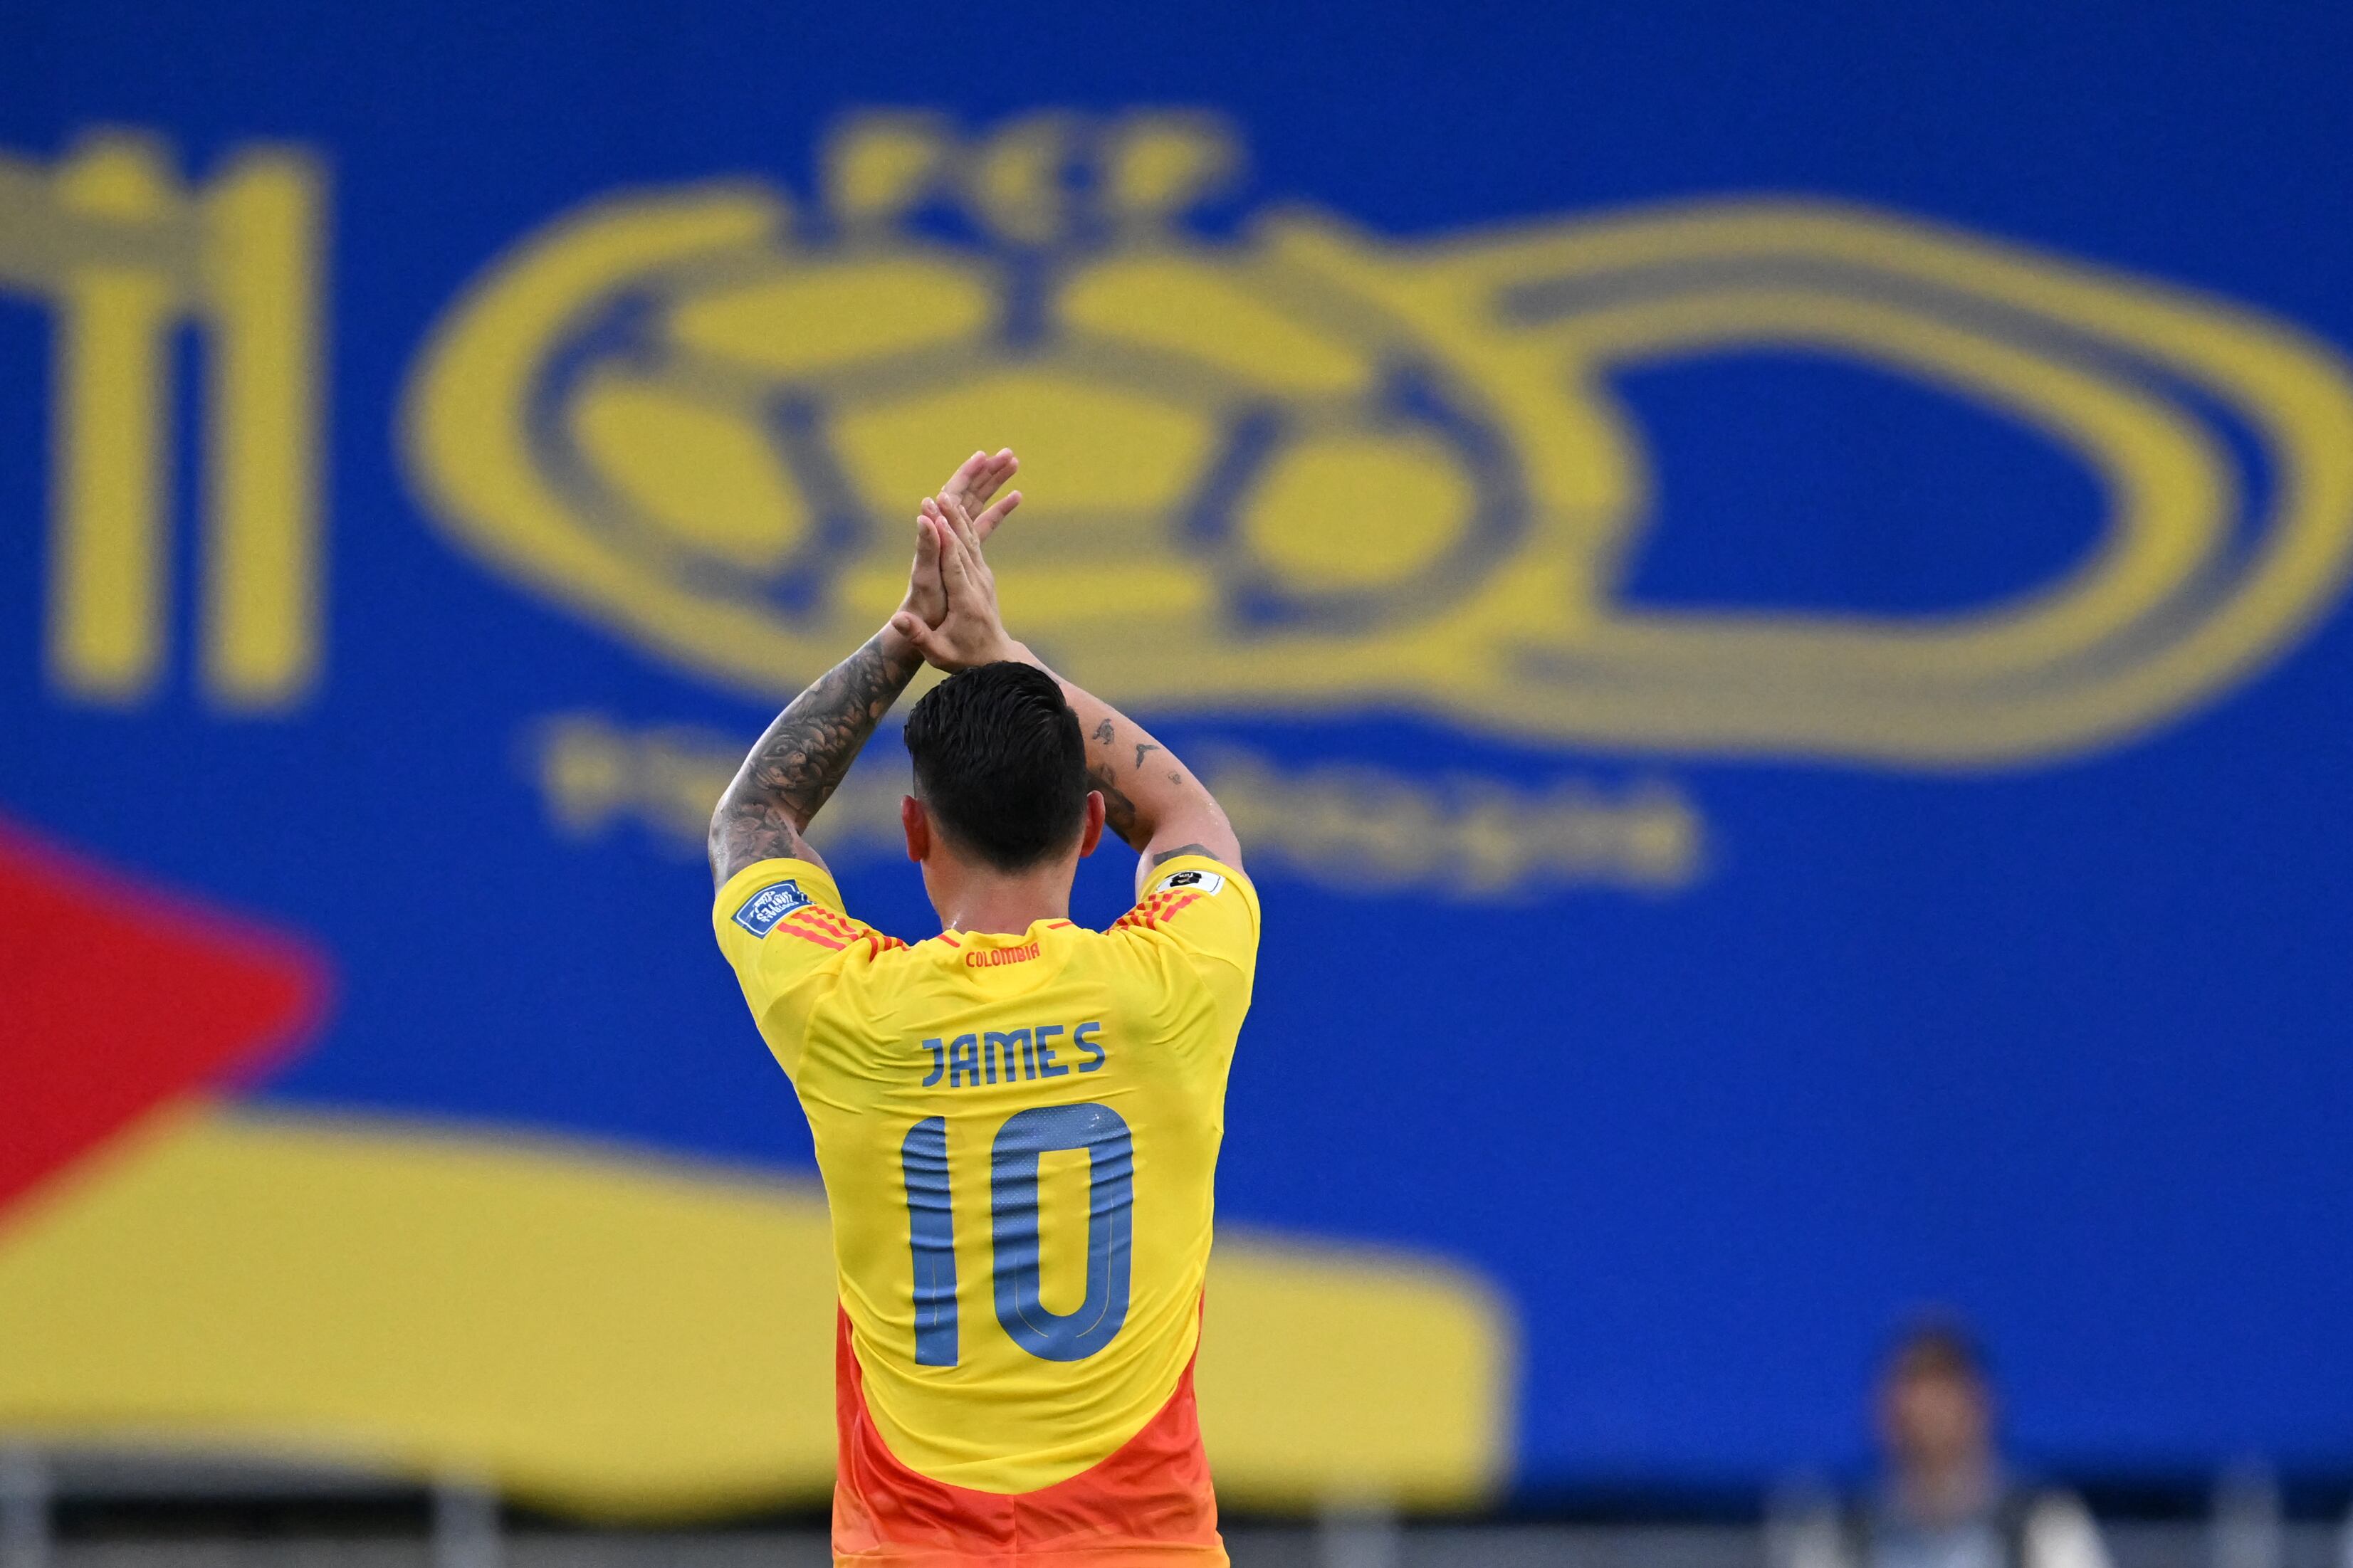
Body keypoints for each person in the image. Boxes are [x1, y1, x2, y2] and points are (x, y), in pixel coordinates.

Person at [708, 449, 1256, 1566]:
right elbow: (1185, 808)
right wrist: (999, 657)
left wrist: (904, 639)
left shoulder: (850, 1008)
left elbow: (752, 816)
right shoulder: (1171, 984)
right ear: (1091, 827)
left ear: (915, 832)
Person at [1779, 1320, 2111, 1568]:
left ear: (1984, 1406)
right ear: (1881, 1413)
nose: (1928, 1416)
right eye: (1913, 1395)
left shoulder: (2043, 1523)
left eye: (1943, 1394)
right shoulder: (1834, 1531)